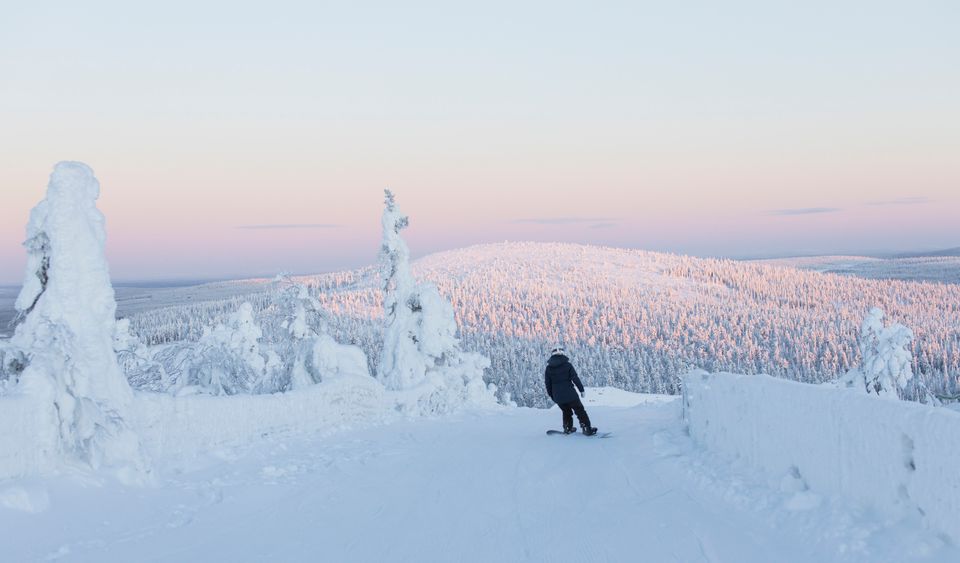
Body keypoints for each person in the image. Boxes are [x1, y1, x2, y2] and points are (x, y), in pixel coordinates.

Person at [544, 346, 597, 435]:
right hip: (570, 394)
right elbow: (575, 378)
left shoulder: (548, 368)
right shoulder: (567, 365)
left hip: (558, 396)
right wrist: (581, 390)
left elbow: (547, 384)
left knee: (566, 411)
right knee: (579, 410)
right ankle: (586, 428)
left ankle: (568, 428)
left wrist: (552, 396)